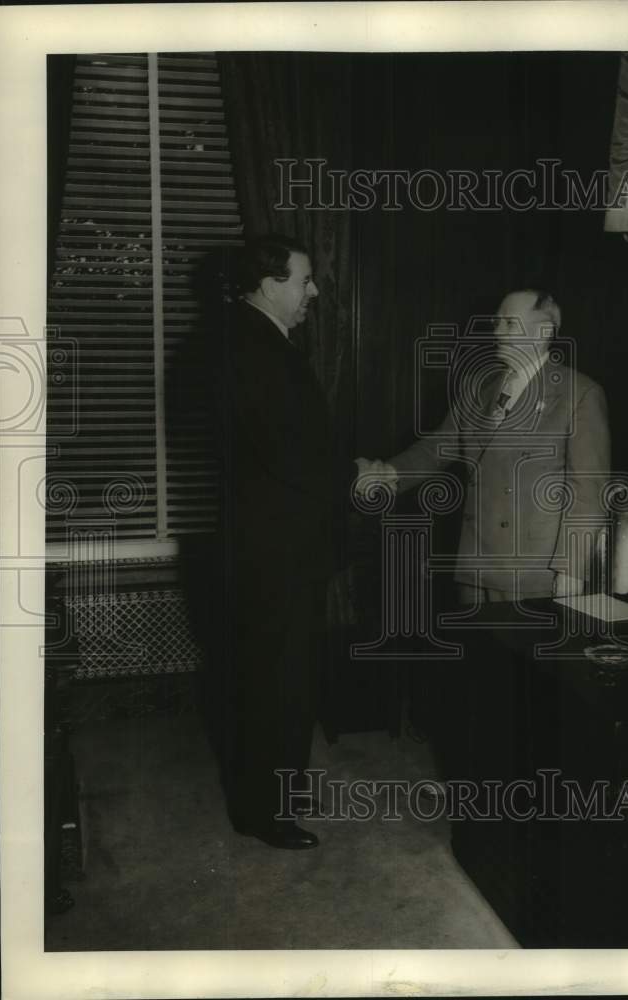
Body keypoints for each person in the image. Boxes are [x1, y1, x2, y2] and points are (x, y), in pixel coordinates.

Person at [218, 234, 358, 849]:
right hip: (276, 551)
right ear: (271, 283)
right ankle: (268, 814)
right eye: (304, 280)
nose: (314, 291)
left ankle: (263, 802)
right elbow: (290, 456)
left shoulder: (246, 340)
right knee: (280, 681)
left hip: (263, 545)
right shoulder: (256, 349)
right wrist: (357, 474)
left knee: (269, 677)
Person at [358, 289, 611, 603]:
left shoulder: (580, 393)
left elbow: (588, 493)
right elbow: (437, 447)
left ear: (543, 331)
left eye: (508, 323)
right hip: (475, 566)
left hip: (535, 573)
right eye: (496, 323)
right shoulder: (479, 387)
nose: (496, 332)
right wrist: (388, 473)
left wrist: (572, 570)